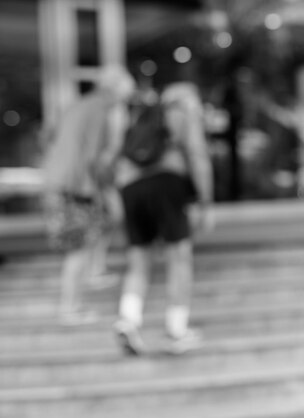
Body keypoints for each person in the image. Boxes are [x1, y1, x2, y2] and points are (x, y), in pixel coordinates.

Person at [113, 81, 214, 355]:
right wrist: (205, 201)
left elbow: (114, 156)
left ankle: (128, 319)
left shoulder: (140, 116)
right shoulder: (182, 112)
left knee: (139, 260)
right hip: (166, 184)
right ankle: (176, 330)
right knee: (179, 257)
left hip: (130, 188)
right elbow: (197, 154)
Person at [41, 65, 136, 324]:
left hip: (62, 182)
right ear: (114, 90)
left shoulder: (79, 105)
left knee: (90, 236)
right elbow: (93, 157)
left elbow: (51, 139)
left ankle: (91, 277)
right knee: (79, 247)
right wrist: (103, 190)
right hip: (76, 186)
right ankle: (70, 308)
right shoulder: (98, 110)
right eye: (124, 97)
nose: (123, 103)